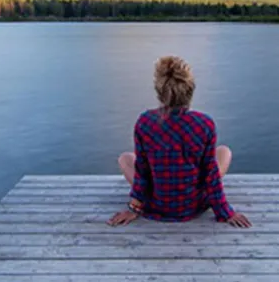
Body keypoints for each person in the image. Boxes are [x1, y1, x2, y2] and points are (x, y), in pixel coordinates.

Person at [107, 56, 252, 228]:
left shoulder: (145, 122)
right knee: (224, 152)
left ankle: (149, 199)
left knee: (125, 158)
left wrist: (134, 208)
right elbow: (210, 173)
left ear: (159, 91)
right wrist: (225, 212)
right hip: (192, 205)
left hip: (156, 204)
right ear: (190, 89)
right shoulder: (204, 124)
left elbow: (142, 171)